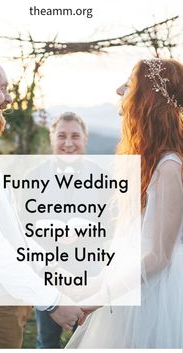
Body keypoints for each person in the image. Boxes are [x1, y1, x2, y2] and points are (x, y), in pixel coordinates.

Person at [0, 50, 85, 348]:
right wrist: (53, 303)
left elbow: (13, 236)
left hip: (5, 304)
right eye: (3, 88)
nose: (9, 98)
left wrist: (54, 273)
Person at [66, 58, 183, 348]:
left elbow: (159, 256)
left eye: (129, 85)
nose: (120, 91)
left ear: (148, 99)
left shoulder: (169, 167)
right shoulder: (152, 162)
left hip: (158, 293)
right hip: (135, 282)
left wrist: (101, 296)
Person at [35, 112, 88, 348]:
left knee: (90, 341)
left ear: (84, 139)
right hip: (47, 279)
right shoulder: (32, 176)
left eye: (75, 136)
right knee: (46, 342)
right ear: (51, 139)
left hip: (90, 277)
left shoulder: (104, 177)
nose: (68, 143)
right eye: (62, 136)